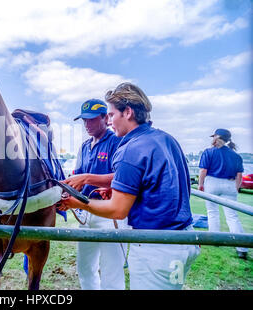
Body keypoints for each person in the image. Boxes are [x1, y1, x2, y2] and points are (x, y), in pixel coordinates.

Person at [59, 82, 200, 290]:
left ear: (128, 112)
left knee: (112, 270)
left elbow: (118, 209)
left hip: (157, 245)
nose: (110, 121)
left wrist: (76, 203)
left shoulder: (130, 147)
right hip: (183, 238)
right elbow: (160, 182)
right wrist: (117, 187)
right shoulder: (166, 139)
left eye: (112, 114)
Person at [70, 98, 127, 290]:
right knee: (85, 267)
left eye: (92, 119)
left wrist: (86, 179)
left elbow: (123, 176)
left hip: (110, 211)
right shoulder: (85, 146)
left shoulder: (117, 141)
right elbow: (77, 177)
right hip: (85, 211)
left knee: (112, 270)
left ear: (105, 118)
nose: (87, 124)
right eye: (84, 120)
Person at [198, 129, 248, 259]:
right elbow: (239, 175)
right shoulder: (235, 155)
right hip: (229, 184)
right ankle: (242, 248)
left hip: (212, 183)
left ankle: (215, 240)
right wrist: (236, 188)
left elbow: (203, 170)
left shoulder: (208, 152)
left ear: (216, 137)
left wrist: (200, 184)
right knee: (232, 216)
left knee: (212, 213)